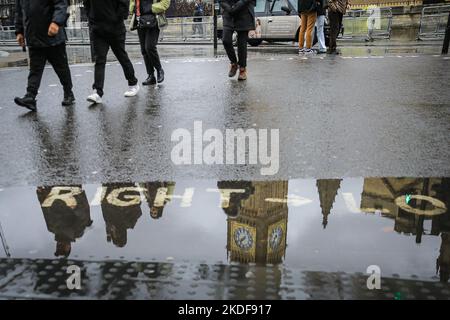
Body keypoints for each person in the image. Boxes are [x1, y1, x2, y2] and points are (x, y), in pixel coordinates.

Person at [13, 0, 75, 112]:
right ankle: (30, 96)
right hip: (33, 36)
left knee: (61, 68)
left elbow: (61, 4)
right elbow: (19, 12)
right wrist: (19, 31)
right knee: (35, 70)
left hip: (52, 36)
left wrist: (56, 22)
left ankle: (68, 93)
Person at [83, 0, 140, 104]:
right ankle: (97, 92)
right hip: (98, 30)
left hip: (115, 29)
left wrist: (115, 18)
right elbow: (86, 3)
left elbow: (124, 4)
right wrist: (91, 18)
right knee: (99, 60)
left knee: (122, 57)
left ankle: (133, 84)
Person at [132, 0, 171, 86]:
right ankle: (151, 76)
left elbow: (165, 3)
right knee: (144, 50)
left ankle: (159, 70)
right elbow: (132, 2)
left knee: (149, 47)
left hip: (154, 19)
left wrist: (150, 7)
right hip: (140, 20)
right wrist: (133, 8)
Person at [221, 0, 256, 81]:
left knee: (242, 44)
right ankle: (234, 63)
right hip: (229, 13)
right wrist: (228, 8)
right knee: (226, 40)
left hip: (244, 12)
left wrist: (239, 5)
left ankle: (242, 70)